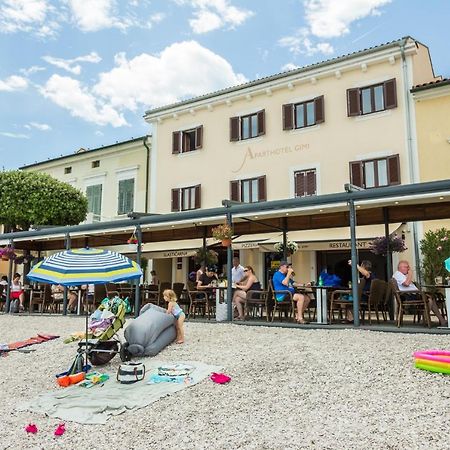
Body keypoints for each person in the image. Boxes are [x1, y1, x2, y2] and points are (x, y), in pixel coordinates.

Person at [393, 260, 447, 326]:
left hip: (413, 294)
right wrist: (410, 274)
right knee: (429, 299)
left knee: (430, 298)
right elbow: (406, 284)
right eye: (407, 267)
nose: (408, 269)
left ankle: (433, 320)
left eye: (408, 267)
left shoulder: (402, 275)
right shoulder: (398, 274)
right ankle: (428, 319)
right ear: (400, 268)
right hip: (408, 295)